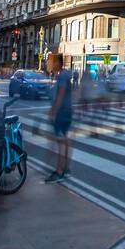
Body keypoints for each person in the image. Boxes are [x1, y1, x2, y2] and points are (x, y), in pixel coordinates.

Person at [44, 53, 74, 183]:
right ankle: (65, 168)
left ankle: (59, 172)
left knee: (60, 141)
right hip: (67, 111)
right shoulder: (64, 75)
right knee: (65, 140)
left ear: (57, 63)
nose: (49, 64)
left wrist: (53, 111)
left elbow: (60, 95)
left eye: (51, 62)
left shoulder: (62, 76)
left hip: (62, 112)